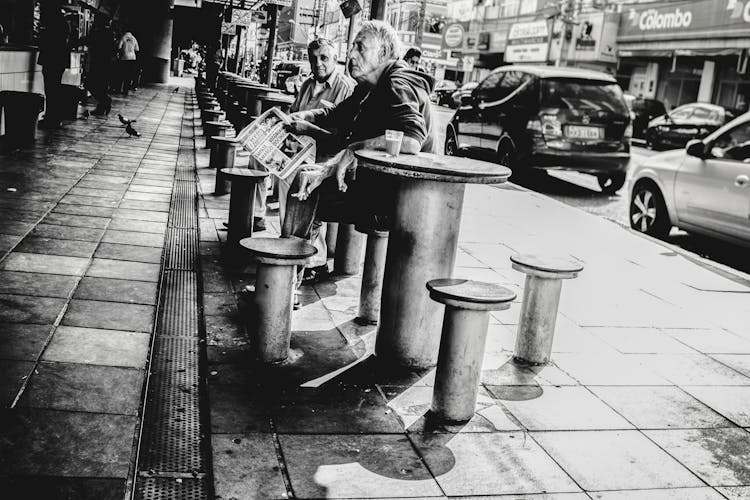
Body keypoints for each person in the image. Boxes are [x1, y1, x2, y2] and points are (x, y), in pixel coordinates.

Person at [281, 21, 435, 278]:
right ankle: (293, 272)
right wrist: (305, 116)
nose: (351, 54)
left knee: (306, 188)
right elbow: (336, 114)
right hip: (378, 184)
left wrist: (354, 148)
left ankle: (286, 280)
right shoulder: (368, 87)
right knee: (307, 182)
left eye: (360, 48)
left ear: (384, 53)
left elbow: (411, 140)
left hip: (402, 198)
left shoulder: (398, 81)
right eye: (352, 46)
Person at [280, 37, 355, 284]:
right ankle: (290, 249)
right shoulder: (306, 85)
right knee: (278, 175)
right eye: (314, 58)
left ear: (336, 59)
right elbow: (300, 113)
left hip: (326, 155)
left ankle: (310, 260)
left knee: (302, 186)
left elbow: (340, 135)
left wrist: (307, 127)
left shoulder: (346, 87)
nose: (318, 63)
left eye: (324, 58)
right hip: (303, 149)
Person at [37, 2, 70, 129]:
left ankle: (52, 118)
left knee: (51, 89)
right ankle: (55, 117)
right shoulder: (63, 22)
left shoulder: (52, 22)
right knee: (55, 89)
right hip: (59, 61)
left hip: (52, 60)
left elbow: (46, 42)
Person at [77, 14, 115, 116]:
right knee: (100, 86)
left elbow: (86, 40)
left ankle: (106, 101)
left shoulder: (99, 32)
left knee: (90, 84)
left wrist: (71, 42)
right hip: (106, 64)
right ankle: (102, 107)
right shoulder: (110, 33)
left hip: (98, 64)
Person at [117, 30, 139, 95]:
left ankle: (119, 89)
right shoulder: (133, 38)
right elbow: (137, 49)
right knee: (128, 75)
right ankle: (125, 90)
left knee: (122, 74)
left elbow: (119, 47)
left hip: (124, 58)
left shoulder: (123, 37)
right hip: (132, 58)